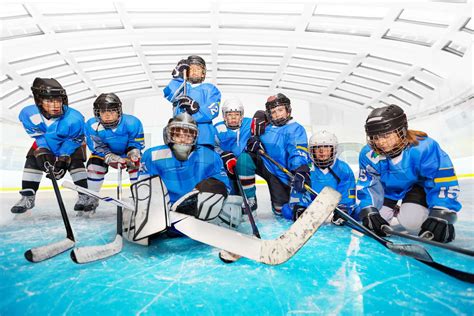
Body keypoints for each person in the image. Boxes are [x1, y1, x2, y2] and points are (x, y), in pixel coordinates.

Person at [356, 104, 461, 243]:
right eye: (375, 137)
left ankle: (410, 209)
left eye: (386, 135)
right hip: (388, 191)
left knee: (412, 222)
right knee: (375, 219)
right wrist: (368, 209)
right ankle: (394, 209)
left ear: (402, 130)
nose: (380, 142)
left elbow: (441, 179)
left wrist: (442, 211)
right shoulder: (368, 153)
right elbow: (368, 184)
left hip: (417, 188)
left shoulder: (424, 147)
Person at [127, 113, 236, 242]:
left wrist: (203, 197)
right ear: (169, 135)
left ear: (195, 137)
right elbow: (144, 188)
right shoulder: (152, 155)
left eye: (188, 135)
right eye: (178, 135)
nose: (183, 139)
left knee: (217, 188)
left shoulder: (210, 156)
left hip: (199, 217)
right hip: (164, 215)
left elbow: (224, 186)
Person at [11, 78, 89, 213]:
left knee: (75, 162)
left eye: (58, 100)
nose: (56, 105)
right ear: (39, 101)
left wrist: (64, 158)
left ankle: (84, 196)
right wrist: (43, 150)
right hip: (46, 142)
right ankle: (28, 197)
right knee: (32, 160)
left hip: (70, 143)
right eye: (49, 100)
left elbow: (75, 140)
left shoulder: (75, 118)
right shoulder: (28, 114)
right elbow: (39, 136)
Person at [236, 93, 311, 216]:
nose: (277, 114)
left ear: (288, 110)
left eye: (280, 110)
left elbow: (297, 152)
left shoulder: (296, 129)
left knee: (280, 211)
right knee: (244, 159)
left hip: (283, 175)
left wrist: (301, 170)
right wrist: (252, 142)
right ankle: (250, 199)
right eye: (274, 111)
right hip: (267, 166)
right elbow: (249, 145)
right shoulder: (265, 127)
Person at [84, 93, 145, 214]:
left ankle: (140, 197)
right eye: (103, 111)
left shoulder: (132, 122)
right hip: (104, 154)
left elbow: (136, 142)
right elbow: (96, 147)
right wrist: (109, 156)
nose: (107, 115)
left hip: (126, 154)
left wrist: (132, 154)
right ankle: (92, 197)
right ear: (97, 113)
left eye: (111, 111)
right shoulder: (91, 125)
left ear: (119, 111)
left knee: (138, 165)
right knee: (93, 166)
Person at [281, 130, 356, 223]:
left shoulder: (343, 169)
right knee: (286, 210)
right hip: (311, 207)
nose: (322, 152)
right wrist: (300, 207)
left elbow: (347, 192)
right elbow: (298, 192)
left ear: (333, 150)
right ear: (311, 151)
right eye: (317, 148)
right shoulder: (305, 169)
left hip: (335, 208)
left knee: (358, 213)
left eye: (326, 148)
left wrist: (344, 209)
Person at [163, 55, 220, 147]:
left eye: (198, 69)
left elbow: (212, 111)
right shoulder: (181, 86)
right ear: (186, 72)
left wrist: (195, 110)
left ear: (203, 73)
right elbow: (170, 95)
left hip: (203, 139)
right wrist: (178, 77)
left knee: (204, 160)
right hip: (180, 137)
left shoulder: (210, 89)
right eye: (191, 69)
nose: (194, 71)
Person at [214, 98, 252, 194]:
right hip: (226, 166)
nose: (233, 118)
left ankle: (250, 198)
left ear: (241, 116)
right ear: (225, 116)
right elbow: (213, 147)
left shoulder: (249, 124)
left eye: (236, 114)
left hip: (244, 167)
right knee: (232, 193)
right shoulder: (217, 128)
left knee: (244, 191)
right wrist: (223, 154)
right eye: (230, 114)